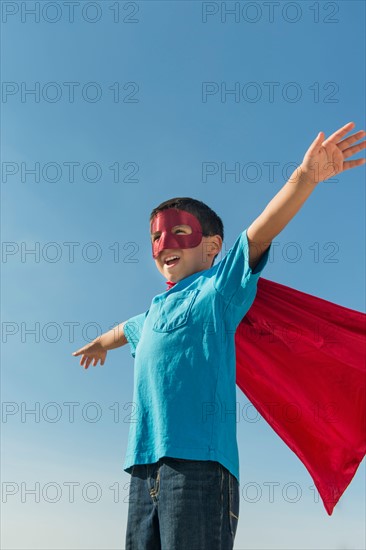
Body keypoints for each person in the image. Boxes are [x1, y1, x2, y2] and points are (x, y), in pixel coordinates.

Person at [72, 121, 366, 549]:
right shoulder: (153, 312)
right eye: (155, 236)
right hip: (143, 468)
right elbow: (126, 329)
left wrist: (304, 178)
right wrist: (101, 342)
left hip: (200, 469)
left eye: (177, 231)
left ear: (211, 247)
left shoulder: (217, 292)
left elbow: (260, 232)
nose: (162, 243)